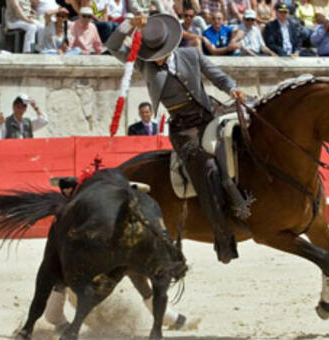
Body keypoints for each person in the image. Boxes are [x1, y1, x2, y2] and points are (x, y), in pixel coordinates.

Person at [106, 13, 248, 263]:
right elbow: (113, 45)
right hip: (184, 128)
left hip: (210, 113)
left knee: (248, 131)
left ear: (170, 46)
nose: (156, 59)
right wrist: (129, 24)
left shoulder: (191, 55)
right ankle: (223, 234)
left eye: (159, 52)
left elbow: (216, 74)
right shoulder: (145, 63)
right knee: (206, 166)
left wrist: (232, 87)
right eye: (153, 53)